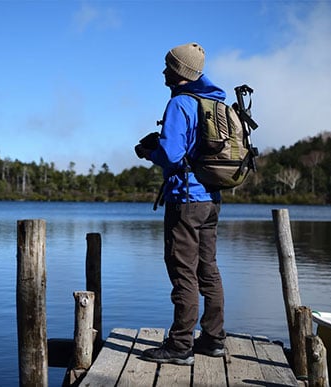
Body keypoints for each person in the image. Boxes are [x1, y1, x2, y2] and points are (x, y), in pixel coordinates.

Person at [135, 42, 227, 366]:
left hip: (186, 200)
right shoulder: (211, 103)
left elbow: (171, 155)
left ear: (180, 72)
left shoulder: (180, 104)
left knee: (182, 272)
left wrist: (149, 152)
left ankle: (179, 347)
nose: (164, 70)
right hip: (211, 199)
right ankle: (214, 340)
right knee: (208, 270)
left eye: (168, 66)